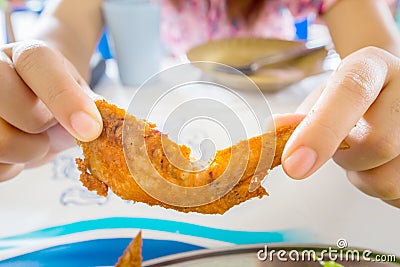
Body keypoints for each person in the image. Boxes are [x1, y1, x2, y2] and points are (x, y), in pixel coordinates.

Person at [0, 0, 399, 208]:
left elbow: (379, 46)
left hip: (304, 161)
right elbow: (62, 27)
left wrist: (381, 80)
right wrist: (34, 72)